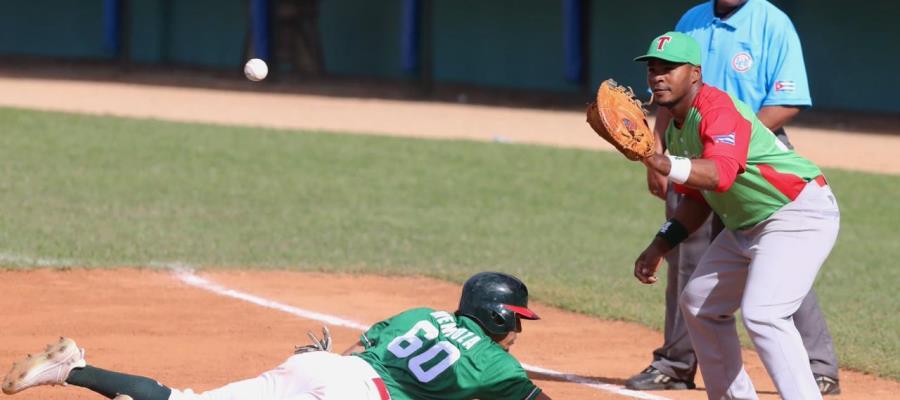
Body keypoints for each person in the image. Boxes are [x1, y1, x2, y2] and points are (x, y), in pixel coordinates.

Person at [628, 0, 841, 395]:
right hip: (749, 224)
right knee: (699, 305)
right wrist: (659, 246)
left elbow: (721, 175)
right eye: (652, 68)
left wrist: (658, 161)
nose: (657, 76)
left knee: (764, 314)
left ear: (695, 74)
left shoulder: (718, 110)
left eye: (668, 68)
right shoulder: (677, 127)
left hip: (796, 212)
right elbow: (698, 198)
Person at [1, 272, 551, 400]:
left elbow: (366, 354)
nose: (517, 330)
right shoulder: (497, 367)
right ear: (499, 315)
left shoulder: (418, 314)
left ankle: (72, 368)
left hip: (324, 371)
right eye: (517, 319)